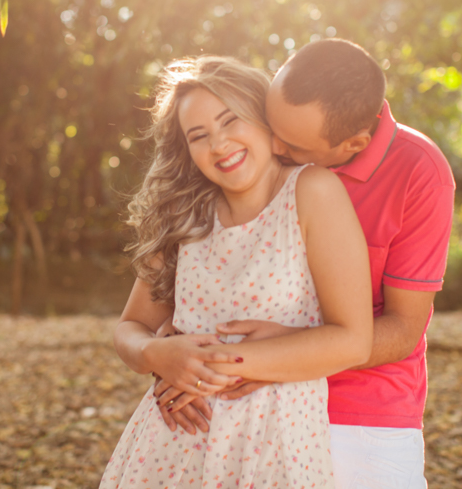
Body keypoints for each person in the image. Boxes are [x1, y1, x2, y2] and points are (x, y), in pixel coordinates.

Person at [156, 40, 455, 489]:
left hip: (359, 412)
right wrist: (174, 354)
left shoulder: (419, 172)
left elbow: (404, 329)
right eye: (269, 123)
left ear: (353, 144)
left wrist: (270, 357)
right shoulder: (254, 159)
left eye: (292, 144)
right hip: (237, 406)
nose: (274, 145)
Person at [100, 56, 374, 488]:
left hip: (275, 442)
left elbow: (353, 341)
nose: (219, 144)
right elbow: (130, 327)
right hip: (172, 443)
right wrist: (157, 356)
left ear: (264, 120)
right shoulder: (184, 211)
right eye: (198, 135)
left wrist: (211, 365)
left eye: (231, 121)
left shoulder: (311, 191)